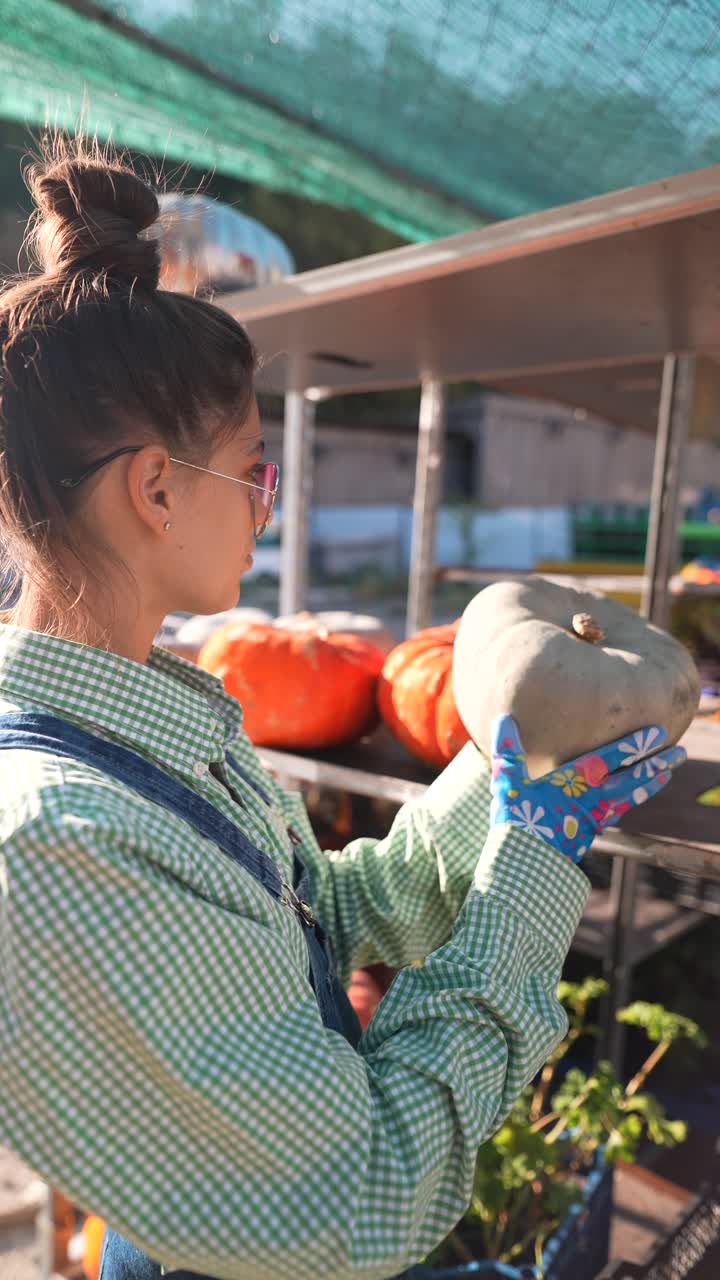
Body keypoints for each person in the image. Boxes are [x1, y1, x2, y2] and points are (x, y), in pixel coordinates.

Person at [0, 138, 684, 1280]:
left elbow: (329, 908)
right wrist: (534, 862)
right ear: (158, 487)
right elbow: (370, 1188)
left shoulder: (137, 742)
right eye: (256, 472)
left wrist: (510, 781)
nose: (267, 509)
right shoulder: (65, 843)